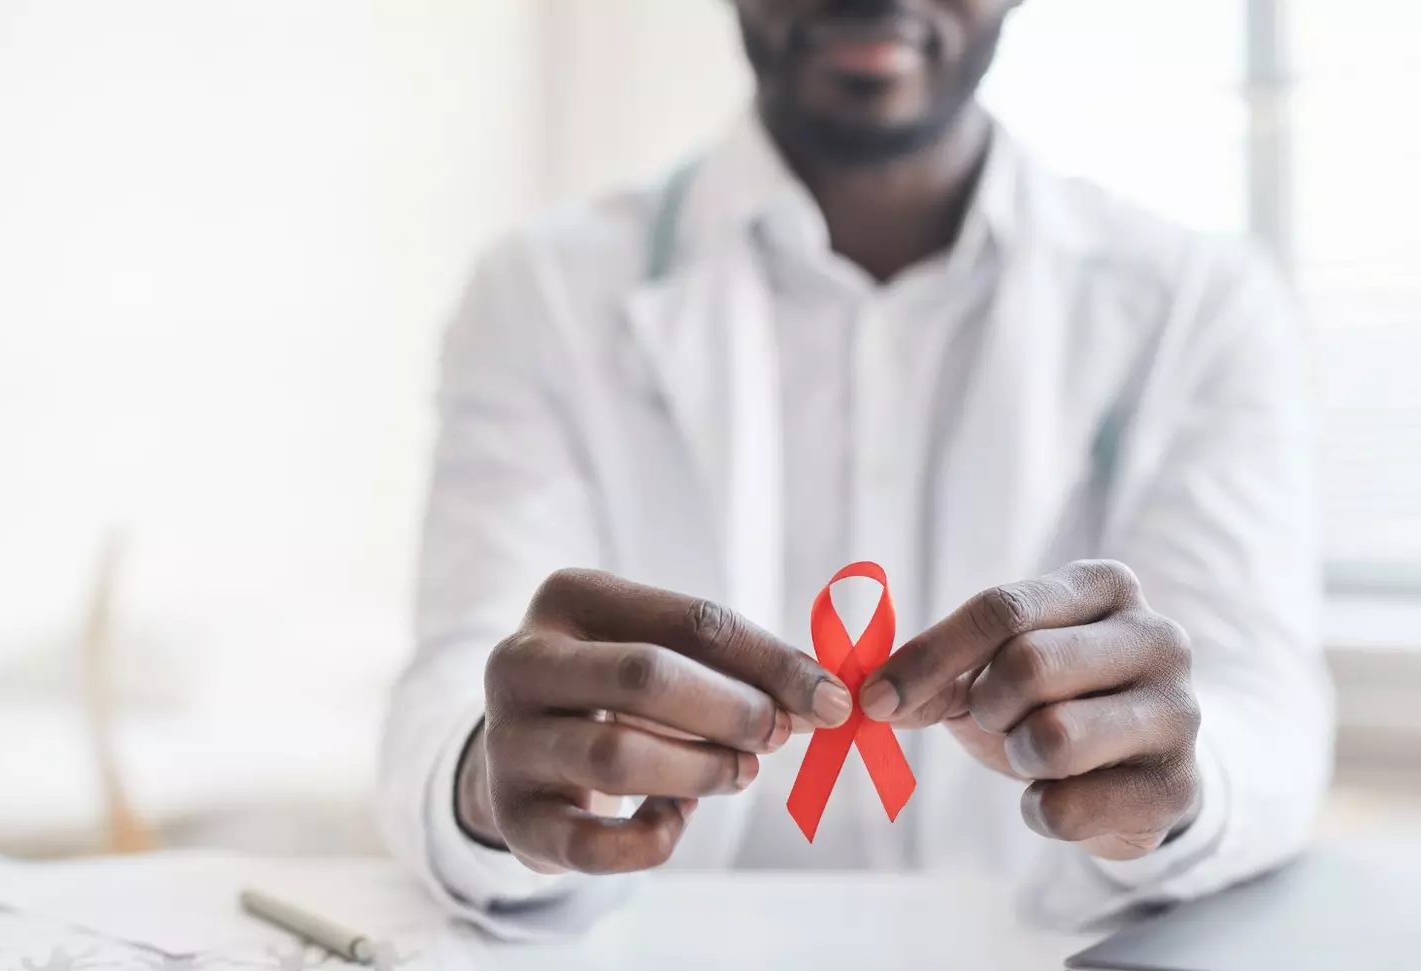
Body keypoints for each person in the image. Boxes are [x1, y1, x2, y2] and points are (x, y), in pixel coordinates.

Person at [379, 0, 1333, 939]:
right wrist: (490, 776)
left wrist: (1175, 781)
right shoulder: (539, 295)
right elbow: (463, 678)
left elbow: (1262, 717)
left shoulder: (1200, 306)